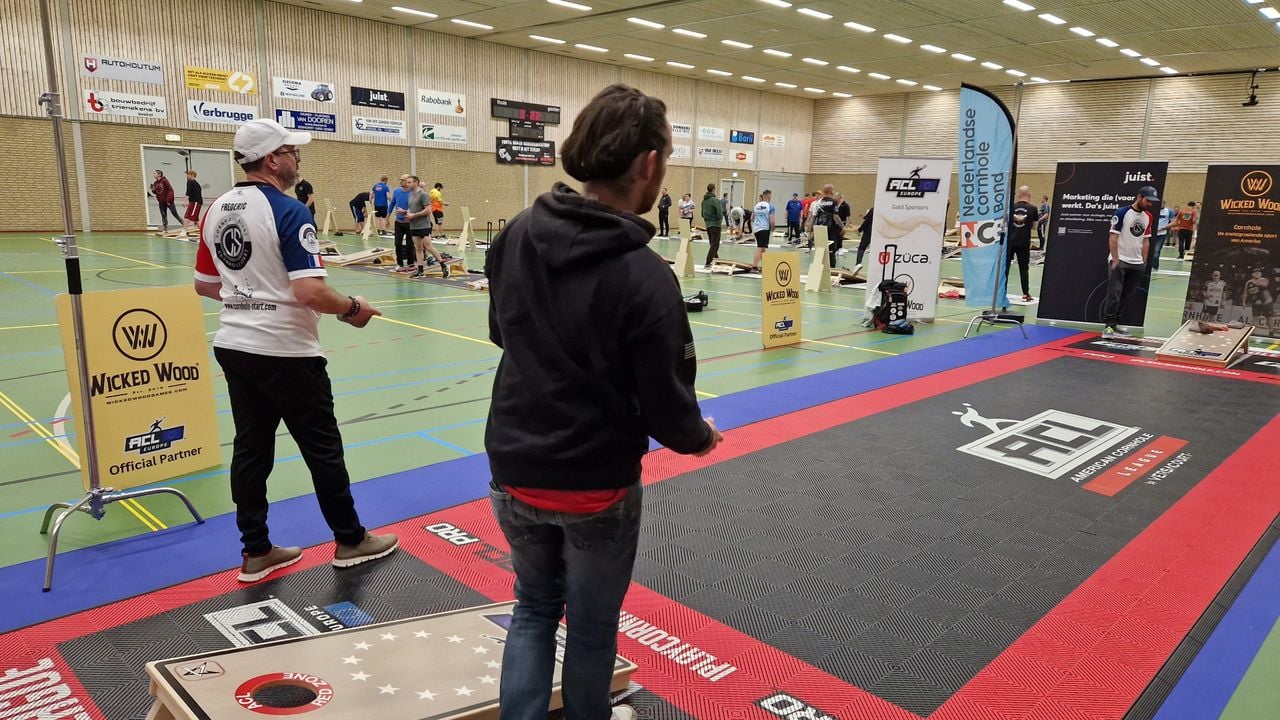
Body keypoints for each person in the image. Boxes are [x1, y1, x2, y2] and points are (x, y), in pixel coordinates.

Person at [484, 83, 722, 720]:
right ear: (649, 165)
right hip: (595, 485)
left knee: (533, 609)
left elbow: (501, 333)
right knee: (590, 629)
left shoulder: (514, 237)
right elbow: (670, 413)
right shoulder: (645, 275)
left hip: (516, 469)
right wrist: (703, 437)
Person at [192, 118, 398, 582]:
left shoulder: (217, 208)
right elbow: (311, 293)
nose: (297, 158)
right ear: (271, 160)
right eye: (291, 151)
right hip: (286, 351)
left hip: (235, 344)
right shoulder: (287, 211)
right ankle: (350, 540)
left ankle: (256, 550)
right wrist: (353, 308)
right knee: (323, 449)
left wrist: (249, 293)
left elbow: (205, 285)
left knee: (251, 449)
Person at [1102, 186, 1157, 335]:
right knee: (1114, 295)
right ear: (1139, 197)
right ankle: (1109, 325)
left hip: (1137, 263)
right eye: (1148, 200)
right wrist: (1115, 259)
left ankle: (1116, 324)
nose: (1150, 204)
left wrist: (1144, 261)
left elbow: (1146, 240)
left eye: (1152, 202)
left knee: (1127, 296)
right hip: (1121, 261)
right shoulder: (1122, 213)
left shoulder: (1148, 217)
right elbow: (1113, 237)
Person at [408, 176, 449, 278]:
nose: (407, 184)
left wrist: (414, 215)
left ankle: (443, 265)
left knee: (428, 246)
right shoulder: (411, 195)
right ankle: (420, 270)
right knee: (418, 248)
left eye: (409, 182)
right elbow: (411, 209)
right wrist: (407, 213)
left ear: (416, 183)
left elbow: (428, 210)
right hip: (414, 226)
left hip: (423, 225)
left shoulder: (423, 194)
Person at [1006, 186, 1039, 302]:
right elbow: (1035, 227)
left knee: (1006, 268)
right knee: (1023, 269)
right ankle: (1025, 293)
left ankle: (1002, 290)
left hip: (1010, 242)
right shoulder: (1033, 208)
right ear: (1029, 195)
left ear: (1019, 195)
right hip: (1024, 242)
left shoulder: (1011, 206)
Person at [807, 185, 841, 263]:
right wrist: (842, 227)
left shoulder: (817, 203)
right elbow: (836, 217)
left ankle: (820, 268)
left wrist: (810, 231)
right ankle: (831, 270)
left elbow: (813, 218)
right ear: (830, 191)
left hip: (819, 230)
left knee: (820, 251)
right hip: (830, 230)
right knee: (831, 251)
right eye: (833, 190)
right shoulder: (833, 202)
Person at [391, 175, 414, 271]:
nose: (401, 181)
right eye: (400, 180)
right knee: (397, 243)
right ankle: (400, 263)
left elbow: (413, 208)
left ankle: (411, 263)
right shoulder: (396, 191)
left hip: (409, 223)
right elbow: (392, 203)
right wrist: (387, 217)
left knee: (410, 244)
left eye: (403, 180)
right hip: (399, 222)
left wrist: (404, 211)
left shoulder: (413, 192)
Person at [700, 182, 724, 268]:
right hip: (716, 224)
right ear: (714, 189)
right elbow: (720, 214)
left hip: (708, 224)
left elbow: (702, 214)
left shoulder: (703, 201)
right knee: (715, 244)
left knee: (712, 243)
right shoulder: (715, 200)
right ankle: (708, 261)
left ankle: (716, 259)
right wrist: (719, 219)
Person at [750, 189, 775, 271]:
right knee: (760, 248)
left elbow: (752, 218)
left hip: (756, 229)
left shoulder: (756, 206)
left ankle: (766, 265)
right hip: (764, 229)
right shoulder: (770, 206)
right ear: (768, 196)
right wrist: (773, 227)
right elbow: (772, 220)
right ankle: (754, 267)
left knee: (763, 248)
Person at [1151, 202, 1175, 271]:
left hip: (1161, 234)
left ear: (1164, 203)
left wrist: (1164, 227)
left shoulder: (1169, 211)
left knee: (1156, 251)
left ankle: (1155, 267)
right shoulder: (1153, 210)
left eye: (1163, 203)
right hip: (1151, 234)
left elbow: (1174, 222)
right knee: (1150, 251)